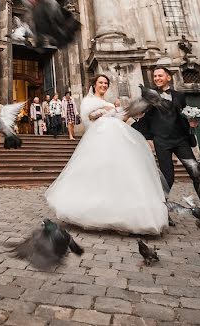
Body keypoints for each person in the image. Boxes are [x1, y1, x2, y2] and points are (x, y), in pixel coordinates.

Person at [45, 74, 169, 235]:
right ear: (94, 85)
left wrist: (132, 110)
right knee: (98, 176)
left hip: (117, 142)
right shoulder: (88, 101)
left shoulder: (110, 103)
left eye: (106, 83)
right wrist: (107, 110)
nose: (103, 85)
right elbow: (90, 117)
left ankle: (123, 214)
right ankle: (96, 213)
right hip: (98, 141)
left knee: (119, 176)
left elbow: (121, 119)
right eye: (100, 82)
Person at [132, 68, 200, 232]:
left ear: (168, 77)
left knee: (198, 176)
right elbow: (142, 116)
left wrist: (191, 124)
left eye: (160, 75)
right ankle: (161, 212)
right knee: (167, 178)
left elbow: (183, 116)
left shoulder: (179, 96)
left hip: (180, 141)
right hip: (161, 141)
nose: (157, 78)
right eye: (155, 76)